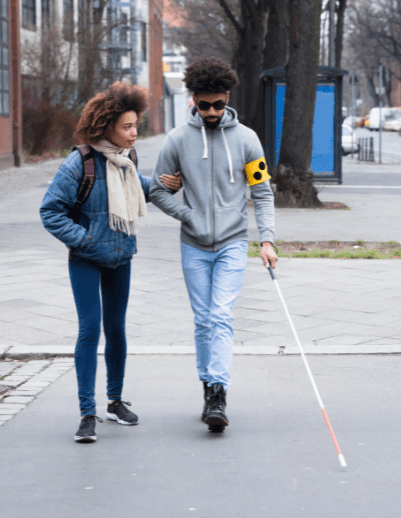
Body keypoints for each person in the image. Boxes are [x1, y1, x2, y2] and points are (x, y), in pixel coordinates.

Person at [39, 82, 181, 443]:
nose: (135, 133)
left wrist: (161, 184)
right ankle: (87, 412)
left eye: (136, 125)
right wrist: (85, 240)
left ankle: (115, 401)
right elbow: (51, 212)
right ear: (106, 127)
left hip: (121, 256)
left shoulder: (128, 160)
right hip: (86, 258)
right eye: (127, 127)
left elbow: (131, 188)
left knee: (116, 329)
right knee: (90, 329)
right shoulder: (79, 163)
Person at [149, 58, 278, 432]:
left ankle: (219, 392)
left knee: (221, 315)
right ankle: (208, 386)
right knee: (203, 319)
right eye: (203, 105)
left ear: (227, 99)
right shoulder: (176, 140)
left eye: (217, 104)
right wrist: (186, 214)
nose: (211, 112)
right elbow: (157, 190)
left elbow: (262, 193)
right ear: (193, 100)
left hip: (233, 243)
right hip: (193, 244)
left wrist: (266, 239)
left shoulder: (247, 139)